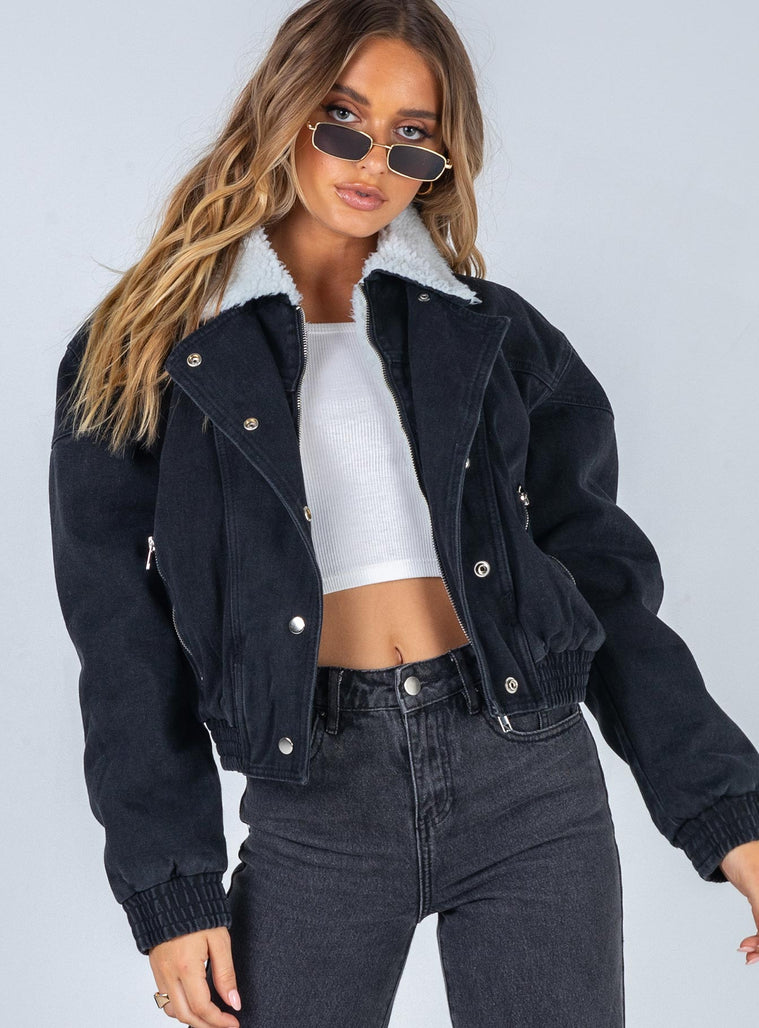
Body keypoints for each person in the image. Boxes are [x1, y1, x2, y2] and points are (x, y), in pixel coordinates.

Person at [48, 1, 759, 1025]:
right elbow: (119, 631)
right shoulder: (151, 350)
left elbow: (602, 585)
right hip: (314, 798)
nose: (371, 161)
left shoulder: (495, 337)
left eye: (410, 137)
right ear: (284, 108)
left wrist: (730, 815)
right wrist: (172, 885)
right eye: (342, 119)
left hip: (528, 778)